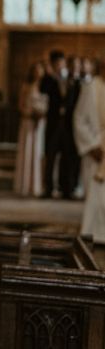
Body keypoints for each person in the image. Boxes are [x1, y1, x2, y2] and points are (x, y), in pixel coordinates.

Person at [73, 59, 105, 243]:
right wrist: (92, 145)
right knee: (96, 195)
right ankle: (94, 234)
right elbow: (78, 119)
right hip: (96, 149)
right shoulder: (91, 87)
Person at [14, 61, 48, 197]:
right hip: (28, 122)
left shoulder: (45, 87)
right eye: (35, 70)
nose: (37, 73)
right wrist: (30, 114)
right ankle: (25, 185)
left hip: (40, 125)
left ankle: (36, 186)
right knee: (28, 152)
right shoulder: (26, 86)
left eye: (40, 70)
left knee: (38, 153)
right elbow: (20, 106)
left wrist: (41, 115)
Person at [40, 50, 68, 198]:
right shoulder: (49, 79)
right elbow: (42, 89)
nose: (60, 65)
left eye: (61, 62)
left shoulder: (68, 77)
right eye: (57, 63)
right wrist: (49, 75)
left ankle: (65, 188)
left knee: (65, 157)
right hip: (53, 122)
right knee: (50, 156)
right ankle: (48, 188)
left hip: (67, 125)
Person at [61, 56, 82, 199]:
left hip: (78, 124)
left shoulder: (82, 83)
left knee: (75, 157)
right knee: (65, 156)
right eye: (72, 64)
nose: (75, 67)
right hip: (65, 125)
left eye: (77, 65)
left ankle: (73, 186)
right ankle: (65, 187)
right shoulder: (64, 80)